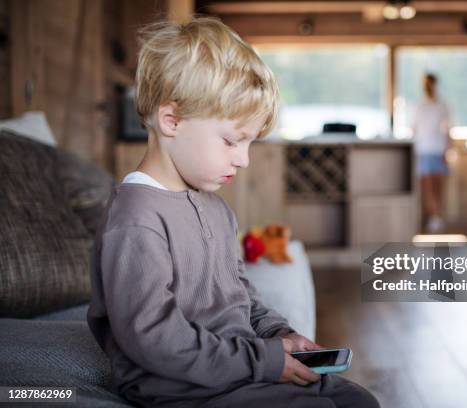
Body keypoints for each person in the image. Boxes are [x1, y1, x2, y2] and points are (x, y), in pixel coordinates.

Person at [86, 17, 379, 408]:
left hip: (241, 372)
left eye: (249, 144)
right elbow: (155, 339)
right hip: (183, 390)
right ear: (171, 120)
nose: (242, 160)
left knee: (360, 402)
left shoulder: (216, 208)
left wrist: (281, 335)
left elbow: (240, 297)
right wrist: (266, 361)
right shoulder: (136, 217)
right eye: (231, 141)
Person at [411, 73, 452, 233]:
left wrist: (447, 150)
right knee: (427, 188)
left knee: (438, 187)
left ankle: (437, 217)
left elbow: (448, 129)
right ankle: (434, 217)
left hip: (439, 150)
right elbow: (413, 130)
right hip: (423, 151)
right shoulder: (419, 106)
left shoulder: (442, 105)